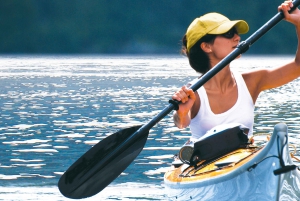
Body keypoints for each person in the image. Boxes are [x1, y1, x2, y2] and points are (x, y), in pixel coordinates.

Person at [172, 0, 300, 140]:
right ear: (207, 47)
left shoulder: (252, 82)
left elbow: (298, 67)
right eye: (228, 34)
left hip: (246, 157)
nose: (237, 38)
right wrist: (182, 113)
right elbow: (181, 123)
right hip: (204, 159)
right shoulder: (193, 93)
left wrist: (299, 23)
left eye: (235, 33)